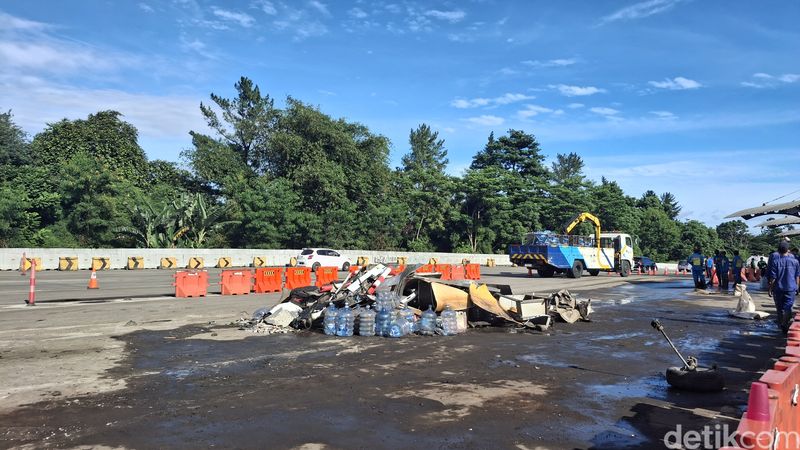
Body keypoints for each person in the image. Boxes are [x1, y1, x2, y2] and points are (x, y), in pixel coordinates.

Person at [768, 240, 800, 333]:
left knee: (779, 308)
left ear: (778, 250)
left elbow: (773, 277)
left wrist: (770, 288)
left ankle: (781, 323)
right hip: (791, 288)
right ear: (788, 250)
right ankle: (785, 323)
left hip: (778, 288)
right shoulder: (795, 262)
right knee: (788, 307)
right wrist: (797, 287)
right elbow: (797, 276)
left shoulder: (776, 262)